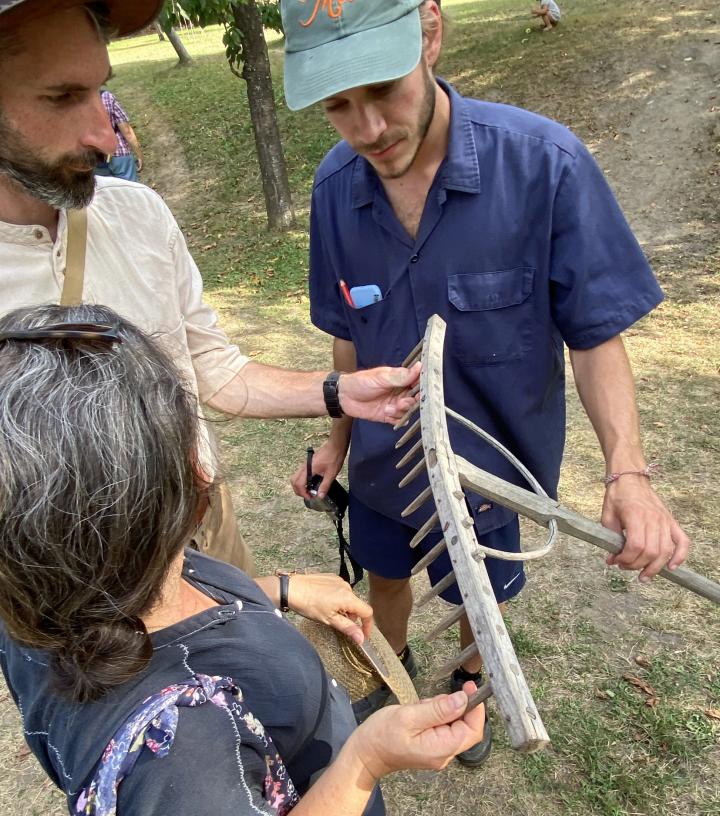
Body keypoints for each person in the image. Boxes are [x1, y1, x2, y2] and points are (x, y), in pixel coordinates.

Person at [0, 302, 486, 816]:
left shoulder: (44, 590)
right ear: (189, 490)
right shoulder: (178, 752)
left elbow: (155, 603)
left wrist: (279, 590)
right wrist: (365, 761)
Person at [284, 0, 691, 764]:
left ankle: (471, 677)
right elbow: (348, 335)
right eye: (338, 104)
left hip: (495, 480)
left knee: (480, 595)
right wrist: (335, 441)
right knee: (385, 575)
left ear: (430, 32)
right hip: (382, 468)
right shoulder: (334, 189)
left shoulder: (546, 166)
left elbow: (595, 335)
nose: (368, 128)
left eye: (384, 89)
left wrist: (628, 474)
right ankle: (390, 666)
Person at [0, 0, 420, 574]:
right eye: (62, 96)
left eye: (101, 90)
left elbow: (208, 366)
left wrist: (339, 391)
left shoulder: (139, 214)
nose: (107, 137)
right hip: (64, 579)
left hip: (202, 523)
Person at [95, 87, 144, 181]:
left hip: (95, 158)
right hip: (119, 152)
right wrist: (139, 154)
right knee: (130, 187)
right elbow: (127, 131)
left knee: (108, 189)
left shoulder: (74, 104)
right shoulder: (107, 97)